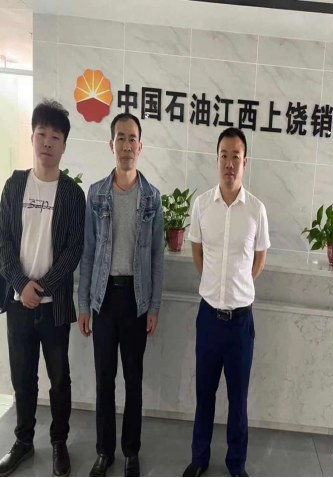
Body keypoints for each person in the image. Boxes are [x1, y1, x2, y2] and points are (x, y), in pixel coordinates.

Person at [0, 100, 86, 478]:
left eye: (55, 136)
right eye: (42, 134)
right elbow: (2, 241)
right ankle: (23, 442)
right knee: (23, 379)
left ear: (64, 145)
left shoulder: (72, 194)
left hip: (54, 306)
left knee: (59, 379)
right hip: (19, 303)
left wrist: (43, 286)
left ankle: (58, 442)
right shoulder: (15, 185)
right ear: (32, 137)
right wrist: (22, 285)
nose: (47, 142)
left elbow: (74, 249)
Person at [78, 112, 164, 477]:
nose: (127, 146)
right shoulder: (96, 194)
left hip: (136, 300)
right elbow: (88, 252)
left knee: (133, 380)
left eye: (132, 139)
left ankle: (131, 451)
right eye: (121, 138)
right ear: (111, 145)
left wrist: (154, 306)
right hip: (103, 299)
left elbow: (157, 257)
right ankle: (104, 452)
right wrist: (84, 303)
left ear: (140, 147)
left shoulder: (152, 198)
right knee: (104, 379)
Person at [183, 127, 270, 478]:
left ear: (245, 162)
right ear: (216, 160)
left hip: (240, 324)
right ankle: (199, 458)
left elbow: (259, 258)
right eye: (224, 155)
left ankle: (237, 464)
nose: (229, 163)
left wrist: (239, 287)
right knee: (204, 394)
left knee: (238, 399)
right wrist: (215, 285)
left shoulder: (256, 210)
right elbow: (197, 253)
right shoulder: (202, 205)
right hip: (208, 318)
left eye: (236, 156)